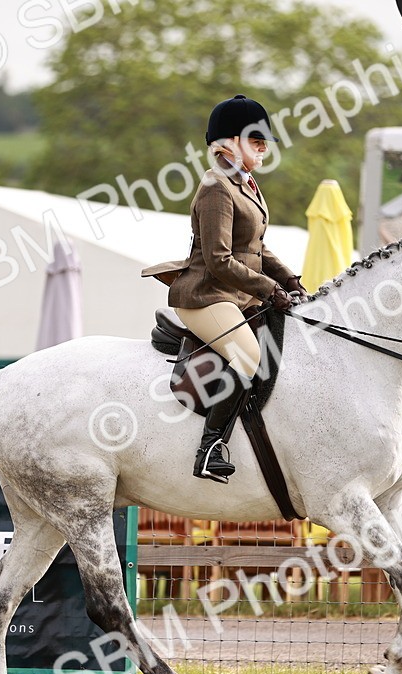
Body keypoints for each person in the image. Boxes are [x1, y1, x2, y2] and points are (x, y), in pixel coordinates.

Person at [144, 94, 306, 483]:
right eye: (256, 140)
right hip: (206, 296)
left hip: (237, 296)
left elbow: (256, 248)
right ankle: (210, 447)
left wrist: (289, 279)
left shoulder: (245, 184)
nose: (264, 148)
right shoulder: (217, 188)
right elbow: (219, 260)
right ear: (230, 143)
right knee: (250, 356)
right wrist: (269, 289)